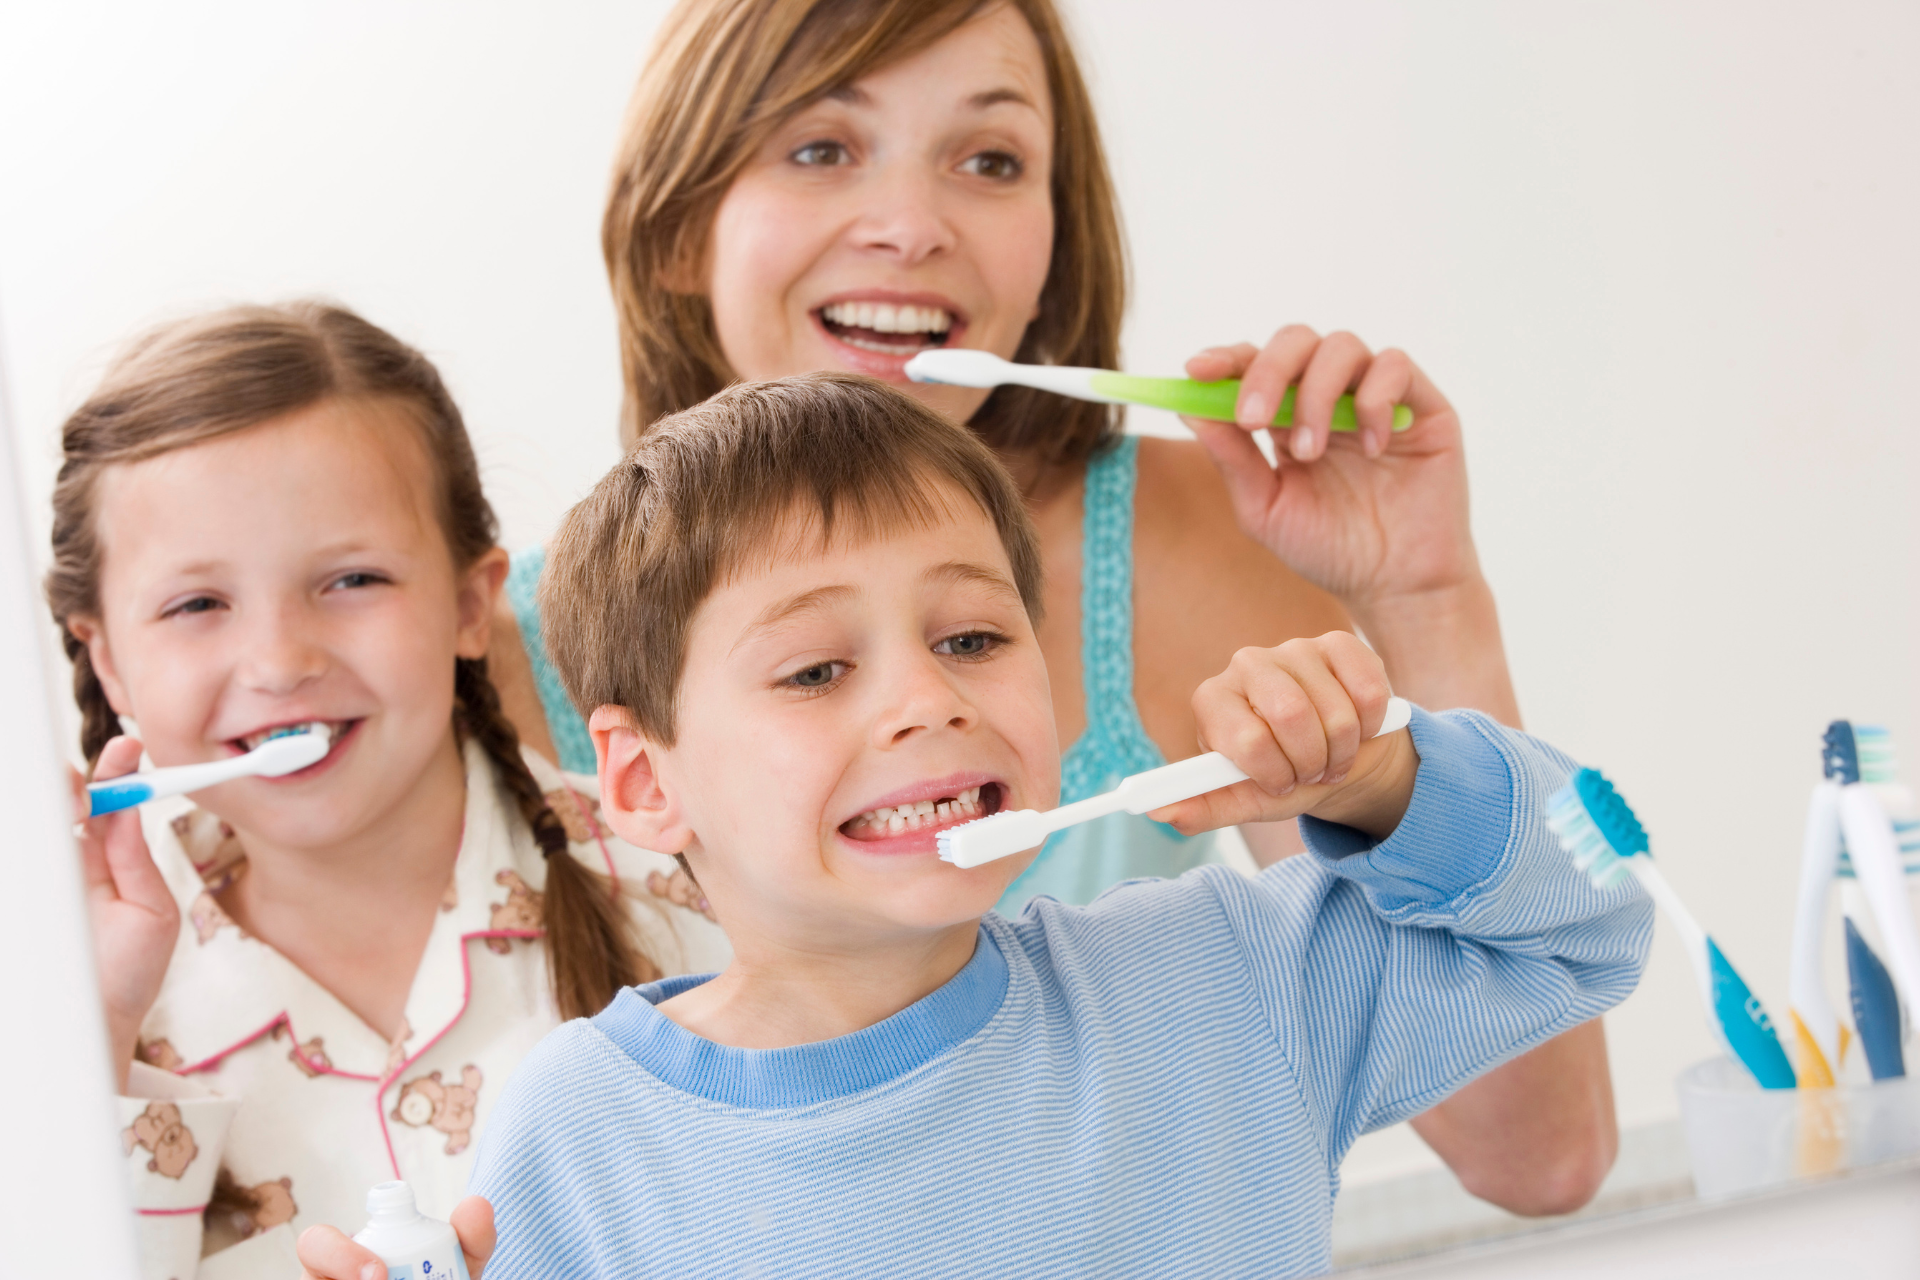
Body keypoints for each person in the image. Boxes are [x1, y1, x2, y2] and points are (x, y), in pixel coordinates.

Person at [483, 0, 1612, 1214]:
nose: (913, 227)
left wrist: (1422, 595)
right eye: (821, 148)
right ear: (673, 226)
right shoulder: (476, 660)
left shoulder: (1186, 547)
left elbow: (1536, 1151)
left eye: (990, 160)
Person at [459, 374, 1650, 1277]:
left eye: (972, 638)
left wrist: (1388, 779)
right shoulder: (581, 1136)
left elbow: (1585, 927)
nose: (929, 698)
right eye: (818, 668)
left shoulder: (1230, 983)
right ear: (642, 777)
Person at [52, 302, 729, 1279]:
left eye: (352, 579)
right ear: (109, 662)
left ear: (467, 603)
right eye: (198, 603)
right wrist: (100, 1028)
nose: (281, 660)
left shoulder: (705, 886)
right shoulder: (66, 995)